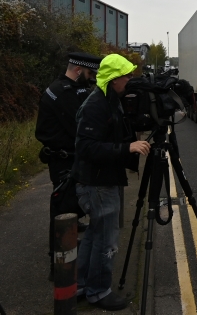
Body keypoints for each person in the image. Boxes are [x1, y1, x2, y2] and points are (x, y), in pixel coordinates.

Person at [74, 54, 150, 311]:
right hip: (97, 183)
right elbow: (86, 148)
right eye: (127, 76)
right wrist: (127, 148)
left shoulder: (110, 100)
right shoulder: (96, 105)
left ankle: (81, 284)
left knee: (95, 233)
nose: (130, 80)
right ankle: (98, 291)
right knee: (106, 239)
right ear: (114, 79)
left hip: (103, 179)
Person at [34, 51, 101, 279]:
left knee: (68, 205)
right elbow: (80, 126)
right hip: (63, 159)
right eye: (89, 74)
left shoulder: (63, 86)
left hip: (62, 156)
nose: (91, 79)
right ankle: (59, 267)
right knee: (63, 207)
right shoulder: (65, 93)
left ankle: (71, 233)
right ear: (78, 70)